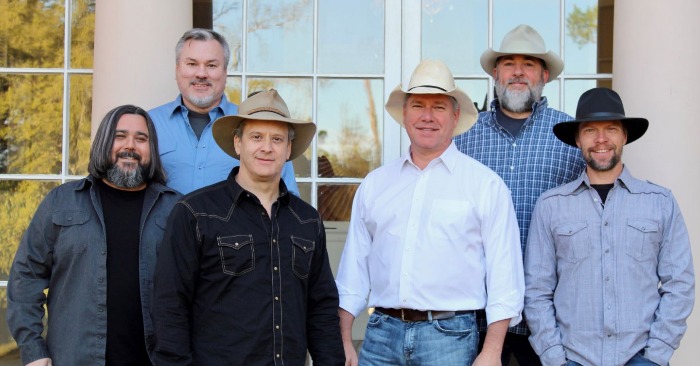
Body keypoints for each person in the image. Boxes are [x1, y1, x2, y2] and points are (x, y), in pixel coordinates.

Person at [336, 59, 524, 366]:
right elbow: (352, 274)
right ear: (404, 114)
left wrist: (491, 352)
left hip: (449, 339)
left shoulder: (485, 185)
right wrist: (343, 339)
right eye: (418, 105)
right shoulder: (375, 185)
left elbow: (506, 278)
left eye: (438, 107)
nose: (427, 116)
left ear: (455, 116)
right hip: (381, 336)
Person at [152, 89, 344, 365]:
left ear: (288, 149)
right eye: (256, 137)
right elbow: (170, 306)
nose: (267, 147)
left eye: (277, 139)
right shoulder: (196, 213)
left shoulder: (307, 221)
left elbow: (321, 309)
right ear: (238, 143)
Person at [524, 87, 695, 366]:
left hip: (640, 357)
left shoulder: (660, 202)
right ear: (578, 139)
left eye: (611, 129)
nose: (601, 140)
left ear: (624, 136)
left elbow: (680, 285)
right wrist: (554, 358)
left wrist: (655, 356)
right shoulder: (551, 205)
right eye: (590, 130)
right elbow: (536, 291)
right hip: (572, 358)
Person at [6, 105, 181, 366]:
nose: (130, 145)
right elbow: (25, 278)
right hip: (73, 358)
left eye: (141, 139)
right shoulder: (60, 202)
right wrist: (33, 350)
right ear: (103, 142)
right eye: (119, 136)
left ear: (152, 149)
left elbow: (196, 290)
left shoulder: (176, 209)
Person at [453, 24, 585, 365]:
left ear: (544, 75)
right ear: (496, 73)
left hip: (546, 317)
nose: (518, 72)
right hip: (472, 311)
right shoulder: (463, 138)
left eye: (528, 64)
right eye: (509, 63)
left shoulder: (569, 138)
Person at [149, 28, 299, 195]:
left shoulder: (252, 124)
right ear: (177, 69)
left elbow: (286, 198)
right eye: (192, 64)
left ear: (225, 72)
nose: (201, 74)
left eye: (211, 65)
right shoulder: (149, 125)